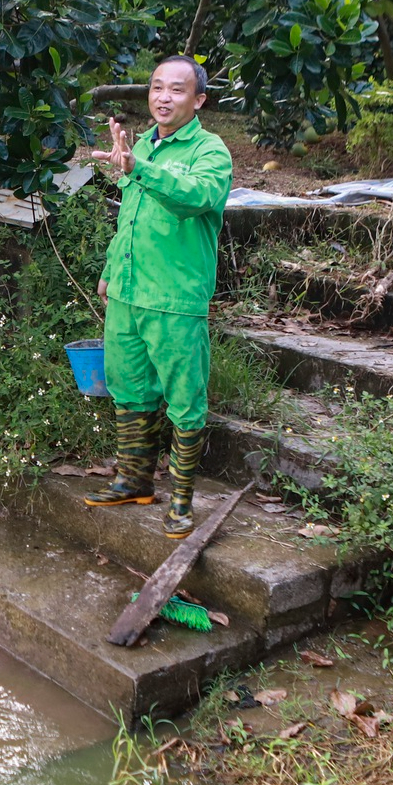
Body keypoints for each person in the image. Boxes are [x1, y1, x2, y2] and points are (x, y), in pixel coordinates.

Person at [83, 55, 234, 538]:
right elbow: (129, 215)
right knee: (128, 389)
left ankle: (183, 500)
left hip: (174, 298)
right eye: (156, 88)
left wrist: (140, 168)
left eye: (176, 90)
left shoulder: (211, 152)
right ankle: (134, 481)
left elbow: (195, 197)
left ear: (199, 100)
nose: (163, 97)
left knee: (184, 399)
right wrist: (109, 270)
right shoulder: (144, 143)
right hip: (127, 294)